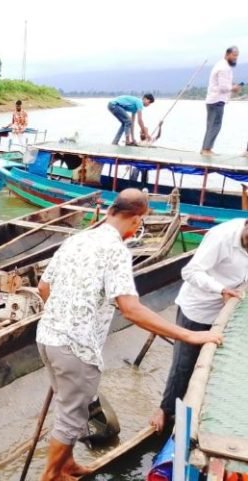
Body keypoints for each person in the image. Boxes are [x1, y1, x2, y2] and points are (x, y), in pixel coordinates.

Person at [35, 188, 223, 481]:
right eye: (140, 223)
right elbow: (131, 310)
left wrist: (62, 317)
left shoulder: (78, 239)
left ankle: (66, 464)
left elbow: (44, 287)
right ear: (137, 219)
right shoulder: (117, 251)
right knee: (72, 416)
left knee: (69, 405)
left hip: (47, 338)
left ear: (112, 210)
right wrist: (189, 335)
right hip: (75, 348)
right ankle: (51, 475)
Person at [150, 219, 248, 433]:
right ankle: (165, 410)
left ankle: (202, 416)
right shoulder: (221, 237)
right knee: (184, 364)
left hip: (229, 311)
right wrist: (220, 289)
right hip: (199, 309)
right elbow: (190, 272)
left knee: (218, 366)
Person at [201, 46, 241, 156]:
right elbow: (223, 87)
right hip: (217, 100)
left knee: (211, 125)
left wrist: (231, 87)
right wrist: (233, 88)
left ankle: (205, 148)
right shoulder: (224, 68)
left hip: (213, 100)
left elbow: (223, 84)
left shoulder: (222, 65)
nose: (235, 58)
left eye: (237, 56)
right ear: (227, 54)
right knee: (215, 125)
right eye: (234, 55)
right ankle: (206, 149)